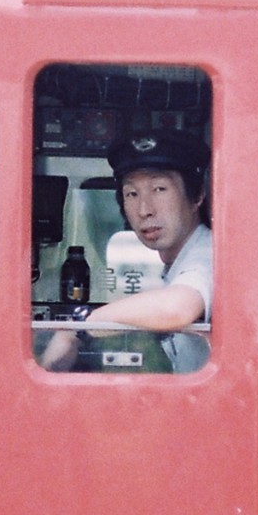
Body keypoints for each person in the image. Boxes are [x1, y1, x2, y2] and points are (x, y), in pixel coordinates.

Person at [40, 130, 212, 373]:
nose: (144, 210)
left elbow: (176, 308)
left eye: (160, 189)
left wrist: (79, 327)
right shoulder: (179, 261)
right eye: (132, 193)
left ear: (197, 196)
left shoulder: (207, 253)